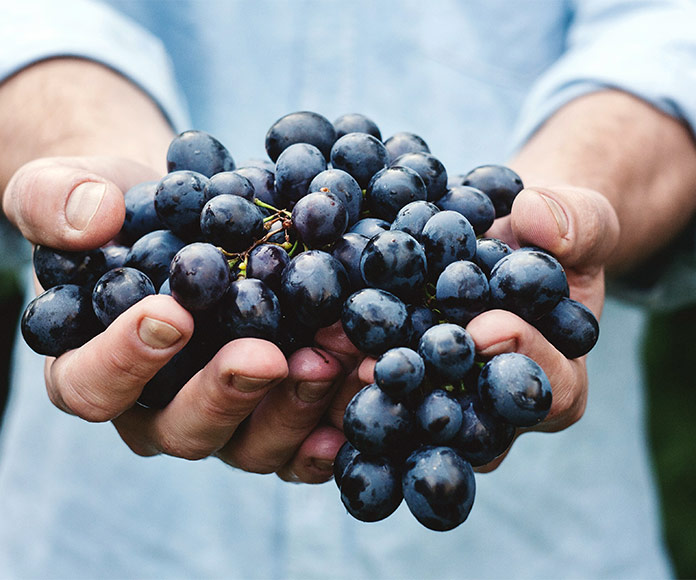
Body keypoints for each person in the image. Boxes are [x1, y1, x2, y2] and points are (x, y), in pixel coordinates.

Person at [1, 1, 695, 577]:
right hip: (109, 540)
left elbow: (668, 32)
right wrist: (90, 170)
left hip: (541, 545)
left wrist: (572, 199)